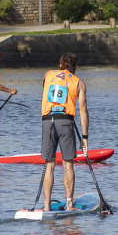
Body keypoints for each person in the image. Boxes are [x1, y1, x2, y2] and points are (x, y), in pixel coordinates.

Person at [39, 53, 89, 212]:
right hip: (65, 122)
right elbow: (83, 111)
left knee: (49, 164)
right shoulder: (78, 82)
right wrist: (85, 137)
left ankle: (46, 206)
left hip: (47, 121)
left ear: (60, 64)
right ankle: (69, 204)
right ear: (75, 66)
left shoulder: (48, 75)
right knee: (68, 164)